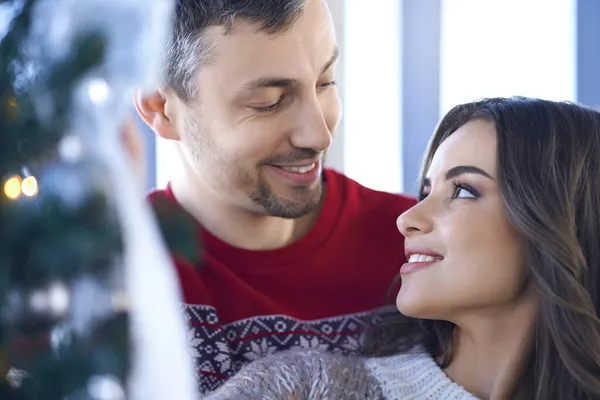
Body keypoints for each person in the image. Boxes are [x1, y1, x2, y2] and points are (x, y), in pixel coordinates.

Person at [199, 97, 600, 400]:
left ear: (559, 222)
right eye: (425, 190)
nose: (407, 219)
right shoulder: (302, 389)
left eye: (462, 190)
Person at [133, 0, 416, 393]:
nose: (319, 135)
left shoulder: (419, 246)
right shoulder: (113, 276)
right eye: (268, 102)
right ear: (161, 108)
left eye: (326, 82)